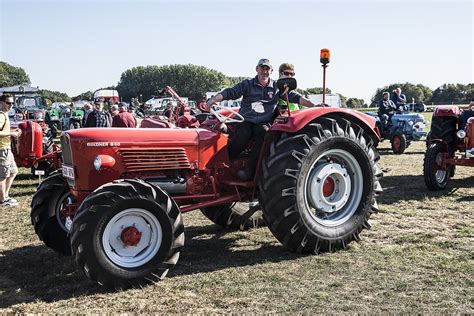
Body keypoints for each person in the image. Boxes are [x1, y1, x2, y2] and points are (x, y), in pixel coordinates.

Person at [205, 58, 317, 181]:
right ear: (257, 69)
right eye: (262, 68)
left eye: (267, 69)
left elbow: (294, 96)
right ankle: (226, 162)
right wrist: (213, 99)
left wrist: (314, 106)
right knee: (242, 133)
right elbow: (230, 92)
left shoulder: (276, 86)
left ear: (271, 71)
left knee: (265, 134)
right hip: (246, 119)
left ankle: (250, 171)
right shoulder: (247, 84)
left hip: (264, 122)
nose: (264, 71)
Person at [0, 94, 21, 207]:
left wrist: (13, 130)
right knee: (2, 175)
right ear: (2, 103)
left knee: (13, 171)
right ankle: (2, 201)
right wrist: (12, 133)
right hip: (2, 149)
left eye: (12, 103)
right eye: (8, 103)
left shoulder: (5, 115)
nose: (11, 106)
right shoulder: (1, 116)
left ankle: (5, 195)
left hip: (7, 149)